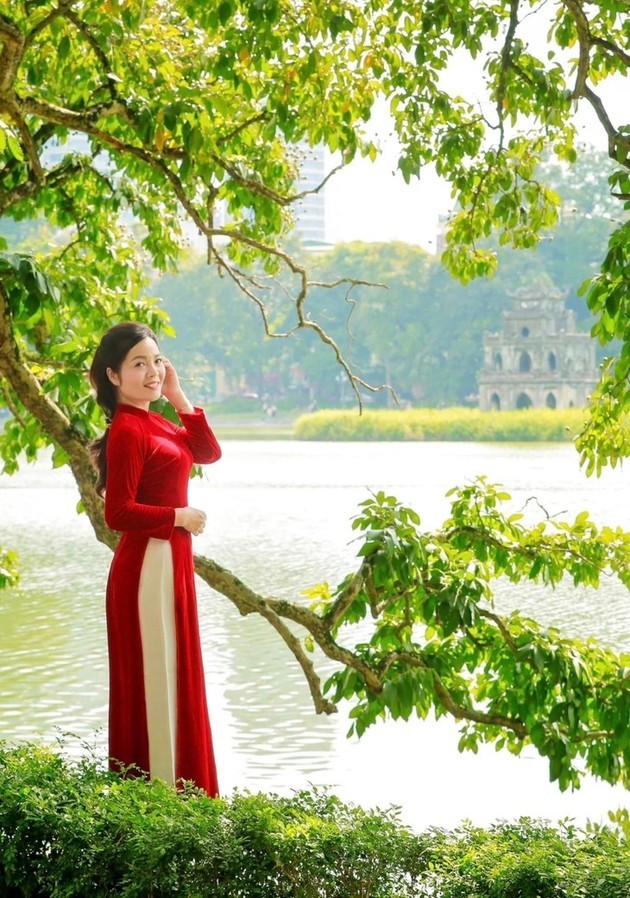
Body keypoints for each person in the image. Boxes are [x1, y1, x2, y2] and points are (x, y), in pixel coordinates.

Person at [89, 322, 222, 796]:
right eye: (138, 364)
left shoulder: (158, 421)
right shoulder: (127, 429)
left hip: (170, 565)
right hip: (148, 567)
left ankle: (184, 800)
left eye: (156, 361)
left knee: (175, 675)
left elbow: (208, 452)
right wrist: (179, 516)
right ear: (112, 375)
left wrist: (179, 395)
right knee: (157, 680)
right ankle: (163, 803)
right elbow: (118, 511)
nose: (151, 372)